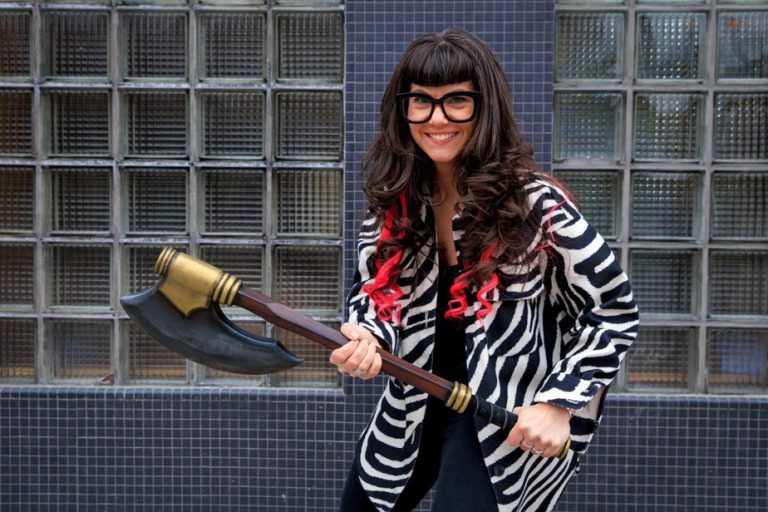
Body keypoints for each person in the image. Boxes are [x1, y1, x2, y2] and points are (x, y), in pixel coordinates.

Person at [330, 29, 638, 512]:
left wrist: (559, 404)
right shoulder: (394, 205)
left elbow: (614, 312)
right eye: (422, 102)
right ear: (402, 109)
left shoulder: (538, 205)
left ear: (485, 106)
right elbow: (374, 293)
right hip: (413, 399)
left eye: (457, 101)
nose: (437, 118)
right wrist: (368, 338)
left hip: (500, 414)